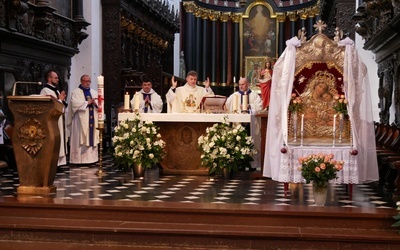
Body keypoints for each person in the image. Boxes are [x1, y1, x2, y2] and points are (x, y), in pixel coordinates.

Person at [66, 74, 99, 165]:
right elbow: (74, 104)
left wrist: (95, 102)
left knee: (91, 136)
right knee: (80, 137)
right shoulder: (76, 92)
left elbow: (99, 103)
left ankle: (92, 159)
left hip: (92, 118)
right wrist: (87, 102)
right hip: (80, 121)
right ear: (81, 81)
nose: (88, 83)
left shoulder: (94, 92)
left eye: (89, 81)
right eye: (86, 81)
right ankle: (78, 160)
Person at [40, 70, 67, 166]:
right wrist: (60, 99)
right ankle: (53, 163)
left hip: (58, 118)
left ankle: (59, 163)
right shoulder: (45, 91)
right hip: (51, 120)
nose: (57, 80)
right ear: (49, 78)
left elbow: (60, 105)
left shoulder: (56, 90)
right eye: (55, 78)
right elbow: (48, 106)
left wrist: (61, 99)